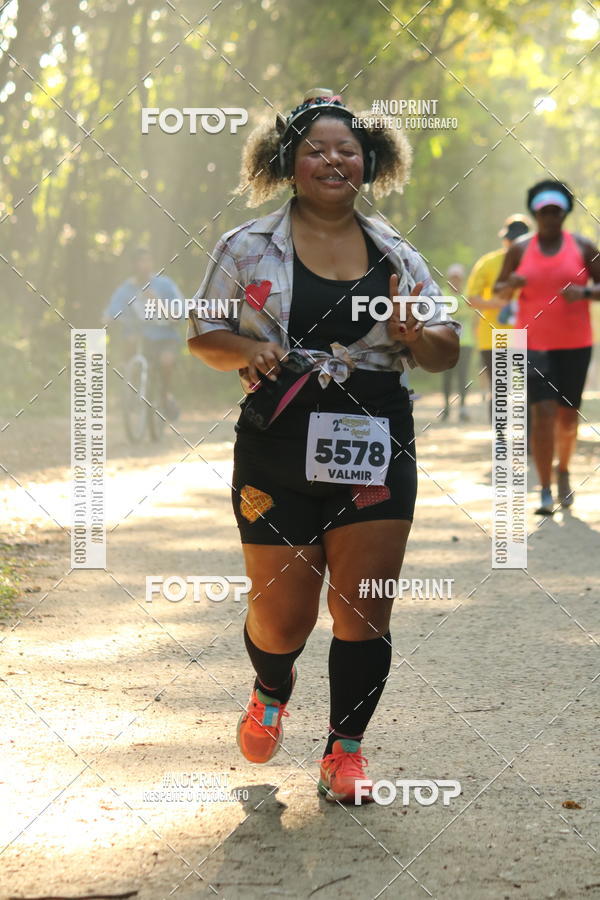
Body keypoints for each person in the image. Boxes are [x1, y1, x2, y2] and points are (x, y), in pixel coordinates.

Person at [188, 89, 460, 805]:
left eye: (347, 150)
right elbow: (205, 335)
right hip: (279, 436)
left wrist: (413, 333)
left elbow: (446, 350)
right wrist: (249, 345)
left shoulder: (399, 255)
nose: (332, 160)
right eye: (316, 149)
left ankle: (345, 750)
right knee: (284, 617)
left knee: (364, 607)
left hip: (374, 433)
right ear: (288, 162)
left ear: (369, 163)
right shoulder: (245, 246)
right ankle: (271, 686)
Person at [495, 180, 600, 514]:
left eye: (556, 212)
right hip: (532, 343)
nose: (550, 218)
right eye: (544, 212)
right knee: (542, 413)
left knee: (567, 419)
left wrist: (583, 293)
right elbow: (499, 291)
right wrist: (510, 284)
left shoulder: (583, 247)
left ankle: (564, 471)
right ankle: (543, 488)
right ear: (536, 214)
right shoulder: (520, 249)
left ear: (565, 213)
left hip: (575, 344)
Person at [466, 215, 531, 421]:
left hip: (528, 335)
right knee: (500, 389)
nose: (513, 243)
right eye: (511, 239)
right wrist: (495, 303)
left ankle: (527, 440)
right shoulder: (488, 262)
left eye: (519, 240)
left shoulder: (537, 263)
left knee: (528, 388)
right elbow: (471, 298)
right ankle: (501, 439)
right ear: (505, 239)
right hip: (494, 335)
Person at [104, 247, 183, 418]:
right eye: (140, 261)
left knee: (166, 361)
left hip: (165, 335)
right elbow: (113, 308)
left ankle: (164, 396)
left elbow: (179, 313)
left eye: (147, 261)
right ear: (133, 265)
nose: (144, 265)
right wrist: (108, 318)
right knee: (130, 339)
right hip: (141, 336)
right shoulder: (127, 288)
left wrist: (157, 302)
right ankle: (129, 381)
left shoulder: (164, 284)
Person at [441, 263, 473, 421]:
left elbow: (472, 313)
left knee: (463, 376)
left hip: (466, 342)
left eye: (458, 278)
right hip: (446, 342)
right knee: (447, 376)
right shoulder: (442, 294)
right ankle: (446, 407)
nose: (455, 281)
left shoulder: (468, 294)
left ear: (462, 279)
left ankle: (463, 408)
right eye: (453, 278)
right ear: (449, 279)